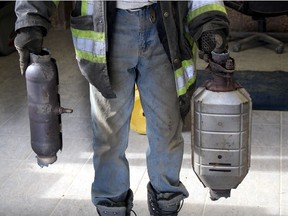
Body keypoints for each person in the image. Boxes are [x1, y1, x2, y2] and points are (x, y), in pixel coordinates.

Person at [14, 1, 229, 215]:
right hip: (107, 28)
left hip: (163, 24)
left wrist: (210, 21)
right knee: (109, 136)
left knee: (167, 130)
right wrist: (30, 20)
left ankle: (167, 205)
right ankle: (112, 208)